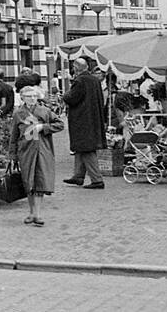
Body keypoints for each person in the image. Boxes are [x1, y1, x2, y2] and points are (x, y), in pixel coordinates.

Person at [10, 85, 65, 226]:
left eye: (35, 96)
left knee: (40, 180)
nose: (33, 99)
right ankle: (31, 212)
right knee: (28, 182)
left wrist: (43, 127)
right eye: (29, 96)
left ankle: (38, 214)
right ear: (22, 98)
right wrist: (13, 156)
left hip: (42, 150)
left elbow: (60, 124)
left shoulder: (45, 111)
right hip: (26, 151)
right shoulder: (18, 114)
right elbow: (14, 136)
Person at [64, 57, 107, 189]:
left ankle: (97, 179)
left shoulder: (80, 81)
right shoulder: (95, 80)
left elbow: (72, 98)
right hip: (93, 117)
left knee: (87, 149)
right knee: (80, 148)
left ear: (76, 68)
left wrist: (65, 95)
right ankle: (78, 176)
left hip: (82, 119)